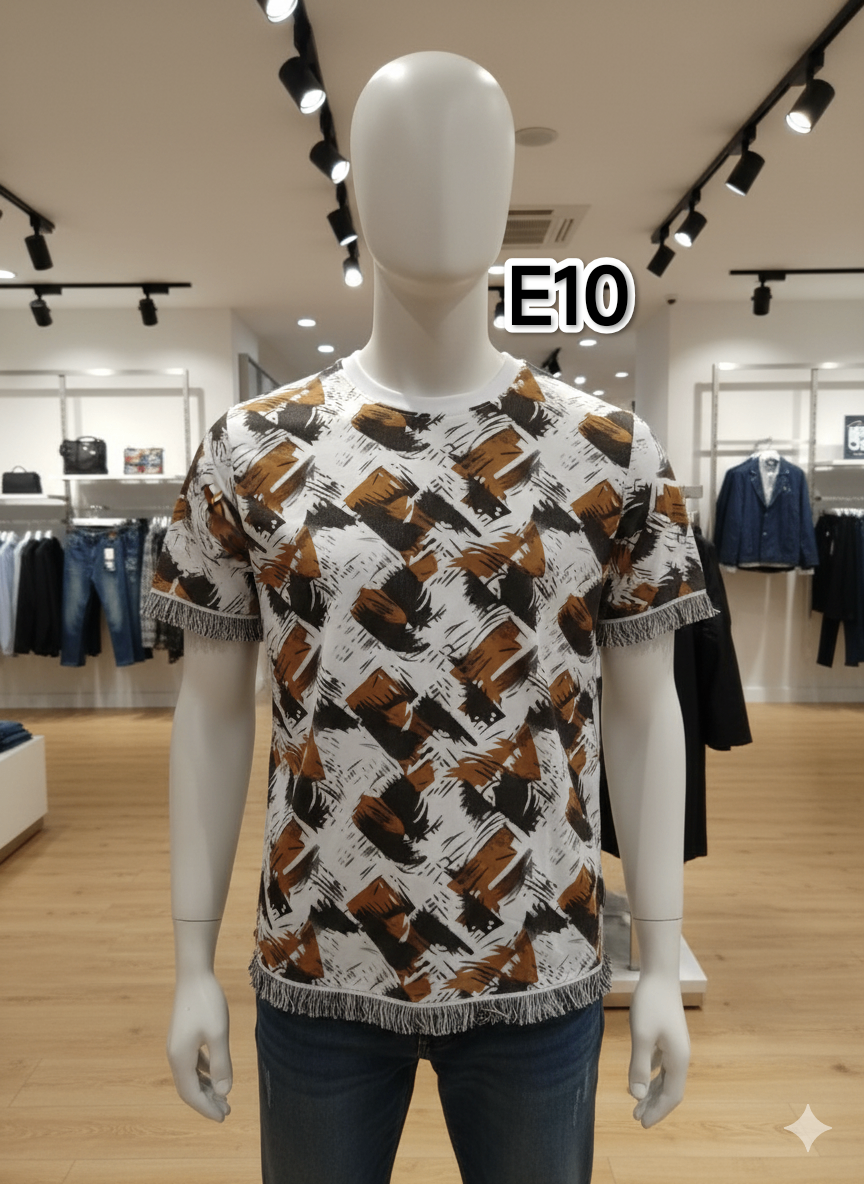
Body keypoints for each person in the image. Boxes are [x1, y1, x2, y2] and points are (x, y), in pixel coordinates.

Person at [147, 51, 714, 1184]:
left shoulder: (609, 451)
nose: (442, 187)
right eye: (406, 157)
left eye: (475, 157)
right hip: (319, 959)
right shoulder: (252, 450)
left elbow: (649, 713)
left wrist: (658, 957)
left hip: (536, 960)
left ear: (510, 190)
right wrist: (189, 962)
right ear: (355, 188)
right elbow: (209, 713)